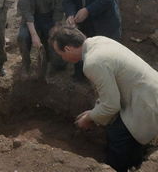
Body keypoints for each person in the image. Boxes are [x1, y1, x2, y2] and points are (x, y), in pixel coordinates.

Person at [50, 25, 158, 172]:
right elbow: (109, 94)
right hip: (147, 94)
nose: (63, 58)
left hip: (147, 105)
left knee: (116, 134)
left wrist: (89, 118)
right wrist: (93, 112)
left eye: (61, 54)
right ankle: (134, 162)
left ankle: (116, 168)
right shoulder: (98, 41)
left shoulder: (93, 63)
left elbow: (112, 105)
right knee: (121, 133)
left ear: (68, 49)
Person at [17, 0, 64, 77]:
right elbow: (26, 9)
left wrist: (56, 26)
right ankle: (26, 64)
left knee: (53, 41)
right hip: (32, 16)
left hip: (49, 16)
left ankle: (49, 64)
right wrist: (34, 35)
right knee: (23, 37)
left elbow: (59, 8)